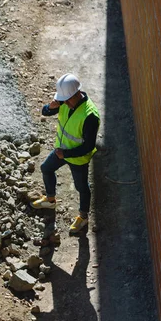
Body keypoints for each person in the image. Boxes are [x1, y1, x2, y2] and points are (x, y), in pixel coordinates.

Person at [32, 73, 100, 234]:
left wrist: (66, 154)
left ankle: (83, 217)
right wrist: (50, 106)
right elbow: (45, 112)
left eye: (67, 99)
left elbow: (88, 147)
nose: (65, 103)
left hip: (78, 158)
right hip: (61, 150)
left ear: (77, 94)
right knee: (46, 168)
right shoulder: (65, 101)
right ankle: (50, 199)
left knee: (81, 187)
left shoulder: (90, 115)